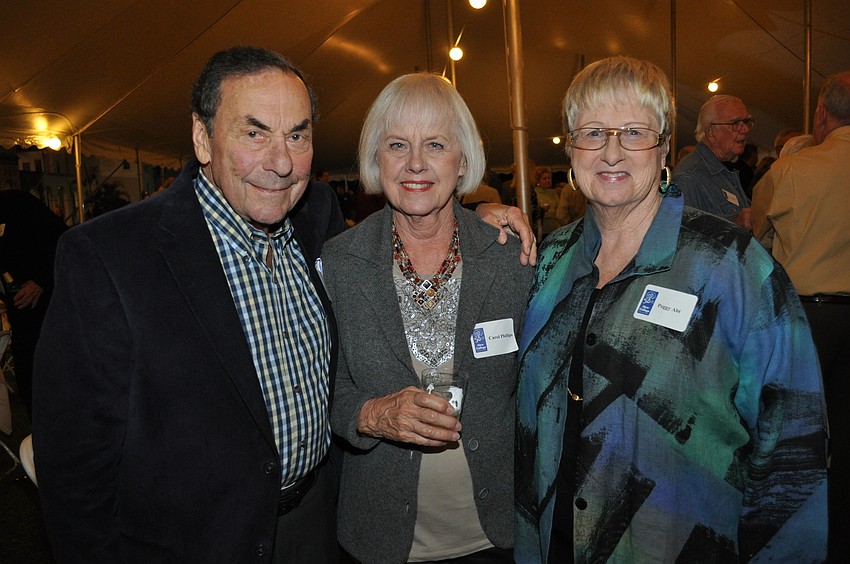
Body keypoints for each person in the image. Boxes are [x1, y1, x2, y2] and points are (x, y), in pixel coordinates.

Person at [32, 46, 536, 564]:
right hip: (196, 542)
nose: (280, 163)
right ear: (202, 138)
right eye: (254, 133)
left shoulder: (313, 217)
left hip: (315, 527)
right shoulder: (109, 257)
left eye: (296, 135)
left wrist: (477, 213)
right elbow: (74, 470)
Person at [514, 56, 828, 563]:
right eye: (592, 132)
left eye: (634, 131)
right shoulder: (550, 261)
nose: (611, 151)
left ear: (663, 147)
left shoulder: (732, 266)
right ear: (570, 148)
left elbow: (792, 447)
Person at [323, 73, 534, 563]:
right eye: (397, 144)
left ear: (462, 161)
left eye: (435, 144)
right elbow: (318, 388)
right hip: (380, 537)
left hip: (497, 535)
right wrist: (374, 415)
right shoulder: (340, 263)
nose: (415, 163)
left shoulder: (510, 260)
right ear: (377, 157)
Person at [751, 70, 850, 560]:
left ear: (821, 115)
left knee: (800, 438)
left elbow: (754, 234)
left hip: (810, 321)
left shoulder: (793, 171)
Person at [0, 189, 68, 419]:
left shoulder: (18, 202)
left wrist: (41, 281)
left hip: (46, 310)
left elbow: (63, 240)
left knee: (54, 375)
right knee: (27, 374)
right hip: (18, 315)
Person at [671, 94, 754, 229]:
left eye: (746, 122)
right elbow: (685, 242)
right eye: (735, 124)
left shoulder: (724, 170)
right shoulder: (689, 178)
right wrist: (736, 226)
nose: (745, 129)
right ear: (710, 132)